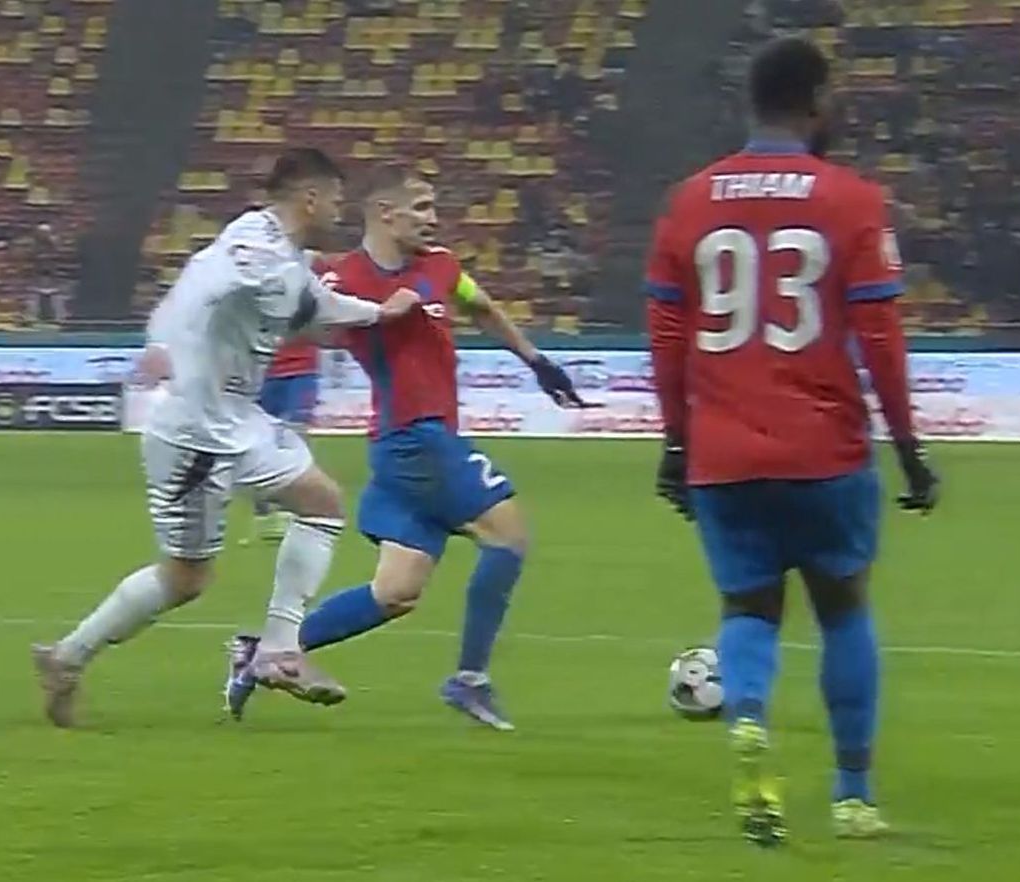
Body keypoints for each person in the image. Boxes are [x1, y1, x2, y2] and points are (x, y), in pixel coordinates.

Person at [645, 37, 939, 845]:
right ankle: (852, 796)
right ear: (815, 101)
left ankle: (747, 720)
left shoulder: (687, 201)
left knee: (748, 608)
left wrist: (677, 442)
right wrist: (909, 449)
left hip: (724, 453)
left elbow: (666, 335)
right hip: (824, 449)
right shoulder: (852, 199)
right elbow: (880, 338)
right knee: (843, 611)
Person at [30, 148, 420, 728]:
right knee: (186, 578)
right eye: (336, 200)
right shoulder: (254, 246)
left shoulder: (290, 257)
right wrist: (163, 340)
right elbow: (200, 285)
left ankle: (279, 651)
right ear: (310, 198)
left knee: (321, 503)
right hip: (194, 433)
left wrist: (378, 314)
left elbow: (314, 306)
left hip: (235, 418)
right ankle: (67, 658)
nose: (340, 211)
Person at [223, 163, 585, 730]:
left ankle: (264, 650)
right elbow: (292, 321)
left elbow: (481, 307)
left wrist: (536, 361)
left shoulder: (440, 265)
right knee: (509, 537)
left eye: (434, 207)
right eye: (421, 208)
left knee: (396, 592)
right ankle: (470, 679)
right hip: (417, 439)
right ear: (384, 213)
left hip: (409, 446)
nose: (433, 219)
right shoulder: (341, 279)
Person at [243, 335, 322, 545]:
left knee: (296, 435)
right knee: (258, 439)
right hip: (260, 370)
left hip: (302, 370)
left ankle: (297, 509)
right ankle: (264, 511)